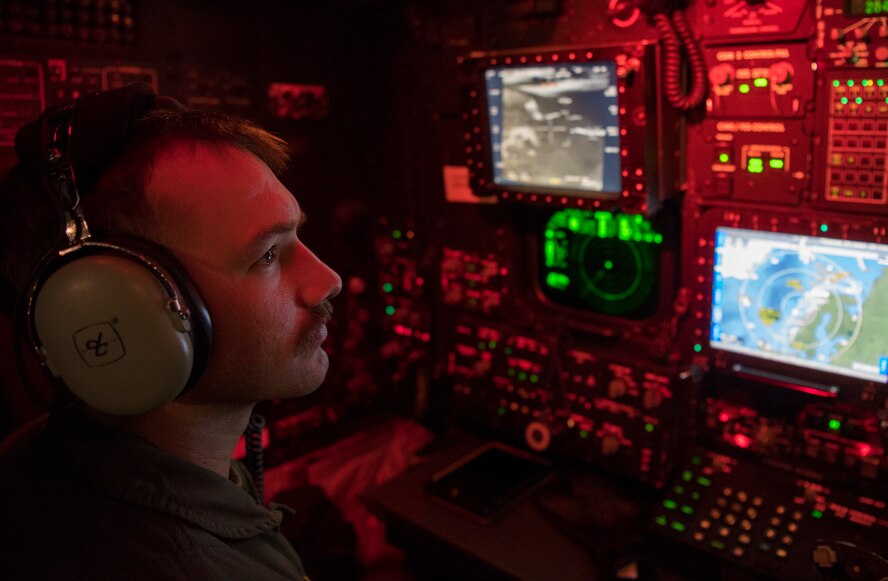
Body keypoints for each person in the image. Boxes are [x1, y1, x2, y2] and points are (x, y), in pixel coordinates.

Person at [0, 84, 342, 580]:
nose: (328, 280)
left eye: (296, 237)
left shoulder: (38, 462)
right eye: (267, 255)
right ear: (113, 307)